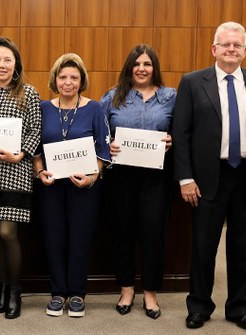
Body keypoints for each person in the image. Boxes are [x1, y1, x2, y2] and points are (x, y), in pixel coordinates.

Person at [173, 22, 246, 331]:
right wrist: (185, 178)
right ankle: (199, 307)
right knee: (203, 247)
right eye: (225, 44)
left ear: (245, 51)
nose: (231, 49)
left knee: (244, 247)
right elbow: (181, 133)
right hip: (207, 180)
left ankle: (240, 308)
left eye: (237, 45)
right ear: (214, 49)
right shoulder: (193, 83)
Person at [100, 44, 175, 320]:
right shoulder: (112, 97)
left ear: (154, 68)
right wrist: (108, 146)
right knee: (122, 233)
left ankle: (151, 293)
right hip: (121, 178)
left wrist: (172, 139)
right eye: (137, 63)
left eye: (147, 64)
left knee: (153, 235)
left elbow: (181, 129)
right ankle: (127, 289)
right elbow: (99, 134)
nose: (142, 69)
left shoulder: (170, 97)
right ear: (129, 67)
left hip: (156, 178)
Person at [34, 53, 110, 318]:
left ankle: (77, 294)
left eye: (74, 77)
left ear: (82, 80)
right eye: (63, 77)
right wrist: (40, 171)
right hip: (51, 186)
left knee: (80, 239)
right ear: (55, 79)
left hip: (84, 186)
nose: (68, 82)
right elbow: (35, 148)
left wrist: (92, 177)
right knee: (54, 239)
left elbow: (103, 150)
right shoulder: (43, 108)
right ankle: (57, 294)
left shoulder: (94, 108)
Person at [0, 37, 42, 319]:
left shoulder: (28, 92)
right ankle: (3, 288)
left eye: (7, 60)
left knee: (7, 233)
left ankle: (15, 290)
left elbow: (36, 131)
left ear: (16, 64)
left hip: (15, 171)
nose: (1, 65)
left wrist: (21, 154)